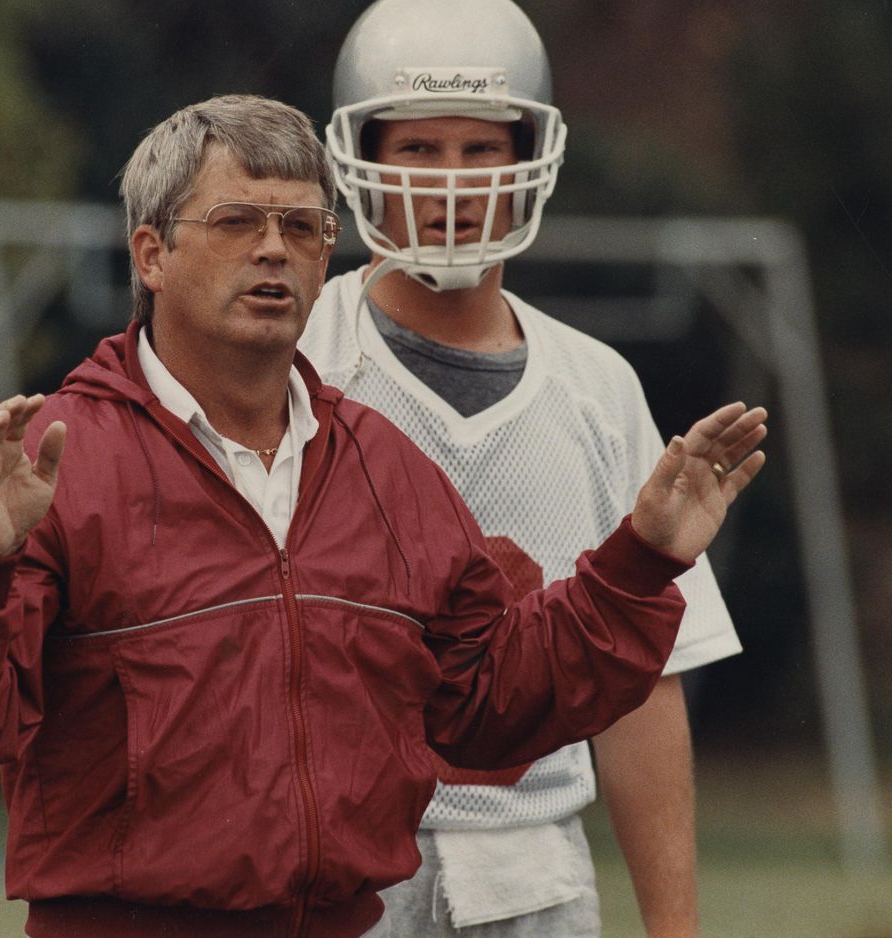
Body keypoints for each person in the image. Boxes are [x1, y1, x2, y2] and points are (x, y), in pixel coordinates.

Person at [0, 94, 765, 938]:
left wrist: (640, 562)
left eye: (301, 227)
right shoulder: (43, 466)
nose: (274, 250)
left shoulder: (384, 468)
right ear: (150, 255)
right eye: (236, 222)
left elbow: (488, 706)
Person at [299, 1, 746, 936]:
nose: (451, 183)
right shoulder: (292, 362)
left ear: (528, 158)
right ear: (361, 158)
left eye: (479, 149)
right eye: (418, 149)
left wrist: (675, 927)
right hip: (320, 864)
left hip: (532, 875)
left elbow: (642, 688)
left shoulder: (596, 387)